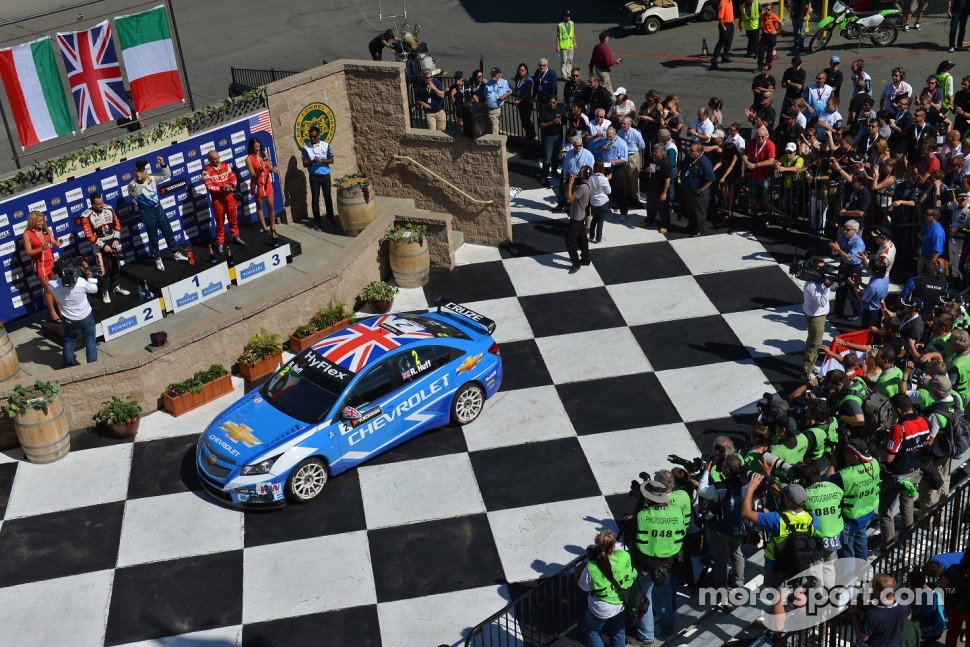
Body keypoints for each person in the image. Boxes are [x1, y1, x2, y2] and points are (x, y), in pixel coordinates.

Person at [742, 477, 817, 638]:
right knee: (798, 589)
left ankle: (780, 635)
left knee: (778, 599)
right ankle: (801, 625)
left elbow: (746, 513)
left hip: (776, 564)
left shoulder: (776, 519)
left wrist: (751, 488)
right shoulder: (811, 518)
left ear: (789, 502)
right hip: (799, 561)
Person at [631, 480, 684, 646]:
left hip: (646, 564)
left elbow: (632, 533)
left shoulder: (643, 514)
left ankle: (646, 636)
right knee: (664, 593)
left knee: (644, 597)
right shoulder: (676, 511)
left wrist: (639, 504)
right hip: (668, 563)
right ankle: (667, 625)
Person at [879, 394, 929, 544]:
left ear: (899, 410)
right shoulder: (924, 421)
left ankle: (887, 548)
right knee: (907, 506)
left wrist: (876, 449)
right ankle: (906, 542)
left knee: (886, 511)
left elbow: (889, 457)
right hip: (914, 471)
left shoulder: (899, 428)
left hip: (896, 475)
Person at [127, 157, 188, 271]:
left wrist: (163, 164)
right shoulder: (132, 185)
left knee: (168, 231)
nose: (144, 172)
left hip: (158, 209)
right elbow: (138, 193)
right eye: (141, 171)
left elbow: (167, 175)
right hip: (147, 212)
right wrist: (139, 180)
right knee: (154, 238)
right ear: (136, 173)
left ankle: (175, 253)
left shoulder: (152, 177)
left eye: (144, 170)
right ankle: (157, 258)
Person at [576, 530, 636, 647]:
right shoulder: (624, 555)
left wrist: (591, 558)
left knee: (593, 632)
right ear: (613, 544)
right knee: (618, 631)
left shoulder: (592, 566)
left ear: (598, 546)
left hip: (600, 608)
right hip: (621, 603)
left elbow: (584, 586)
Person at [828, 438, 880, 559]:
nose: (844, 454)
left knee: (846, 547)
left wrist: (832, 463)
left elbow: (826, 485)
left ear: (856, 457)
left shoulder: (845, 475)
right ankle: (862, 567)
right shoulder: (875, 464)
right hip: (866, 511)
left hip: (850, 518)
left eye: (847, 452)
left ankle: (849, 574)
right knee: (861, 539)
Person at [80, 192, 129, 304]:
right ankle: (105, 291)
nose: (102, 205)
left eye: (102, 202)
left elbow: (117, 224)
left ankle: (116, 286)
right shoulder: (86, 216)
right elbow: (89, 235)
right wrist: (103, 245)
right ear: (92, 204)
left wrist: (116, 239)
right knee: (103, 269)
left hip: (112, 242)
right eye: (98, 204)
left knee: (116, 265)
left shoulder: (109, 208)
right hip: (99, 246)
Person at [48, 258, 98, 368]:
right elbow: (94, 289)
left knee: (69, 342)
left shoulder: (51, 285)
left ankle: (68, 367)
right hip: (87, 317)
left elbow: (56, 278)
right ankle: (93, 368)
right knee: (90, 342)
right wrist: (88, 273)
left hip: (70, 320)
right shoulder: (80, 282)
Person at [22, 210, 62, 322]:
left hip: (50, 261)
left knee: (56, 287)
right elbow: (29, 252)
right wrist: (41, 249)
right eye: (39, 221)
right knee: (48, 289)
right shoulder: (27, 234)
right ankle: (52, 311)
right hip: (39, 264)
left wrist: (57, 244)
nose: (42, 222)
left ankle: (60, 307)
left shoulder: (46, 230)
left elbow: (53, 242)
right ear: (33, 221)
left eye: (43, 220)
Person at [203, 150, 245, 258]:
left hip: (230, 197)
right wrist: (222, 188)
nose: (217, 160)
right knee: (220, 222)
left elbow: (233, 179)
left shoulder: (226, 165)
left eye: (217, 157)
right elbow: (209, 186)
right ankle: (220, 243)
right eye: (214, 159)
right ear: (209, 160)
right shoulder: (206, 171)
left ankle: (236, 236)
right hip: (218, 200)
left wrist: (230, 186)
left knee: (233, 218)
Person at [852, 574, 912, 647]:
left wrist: (853, 614)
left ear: (880, 593)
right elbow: (908, 617)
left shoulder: (872, 615)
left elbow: (863, 637)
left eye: (873, 588)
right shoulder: (903, 600)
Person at [802, 257, 833, 378]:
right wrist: (827, 287)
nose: (822, 270)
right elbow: (822, 302)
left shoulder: (817, 280)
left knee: (814, 343)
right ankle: (806, 372)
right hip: (816, 318)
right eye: (820, 268)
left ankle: (811, 365)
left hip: (818, 316)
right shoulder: (811, 285)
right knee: (814, 344)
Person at [245, 138, 280, 243]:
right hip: (257, 185)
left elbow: (268, 168)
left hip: (267, 183)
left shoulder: (264, 154)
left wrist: (272, 170)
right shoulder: (249, 159)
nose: (257, 148)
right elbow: (252, 175)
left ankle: (272, 226)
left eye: (258, 146)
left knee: (270, 205)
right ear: (251, 147)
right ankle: (265, 227)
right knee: (259, 206)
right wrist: (260, 171)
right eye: (255, 147)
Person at [301, 126, 336, 230]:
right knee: (315, 200)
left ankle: (331, 217)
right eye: (310, 137)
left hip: (325, 176)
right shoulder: (305, 148)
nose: (312, 138)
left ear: (318, 136)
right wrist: (313, 161)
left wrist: (322, 161)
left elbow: (331, 160)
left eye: (314, 136)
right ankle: (317, 221)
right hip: (314, 177)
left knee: (328, 197)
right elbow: (305, 163)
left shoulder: (325, 145)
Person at [830, 219, 865, 320]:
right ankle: (837, 312)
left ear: (855, 230)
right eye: (845, 229)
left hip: (853, 269)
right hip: (843, 267)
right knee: (840, 290)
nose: (845, 231)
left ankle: (857, 313)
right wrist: (834, 249)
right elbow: (834, 253)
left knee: (854, 292)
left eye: (848, 229)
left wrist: (838, 250)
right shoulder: (843, 238)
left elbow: (850, 258)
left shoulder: (858, 243)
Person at [680, 141, 715, 237]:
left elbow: (711, 179)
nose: (689, 151)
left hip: (699, 192)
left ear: (699, 152)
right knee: (690, 209)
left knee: (699, 211)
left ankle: (699, 229)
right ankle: (692, 225)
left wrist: (701, 189)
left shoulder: (705, 162)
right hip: (688, 189)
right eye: (689, 149)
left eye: (692, 150)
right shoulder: (689, 158)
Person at [743, 126, 776, 225]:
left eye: (762, 137)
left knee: (767, 197)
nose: (760, 139)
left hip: (766, 175)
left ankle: (768, 216)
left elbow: (771, 161)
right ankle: (754, 214)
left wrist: (756, 165)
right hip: (754, 175)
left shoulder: (770, 144)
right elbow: (745, 154)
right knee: (753, 195)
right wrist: (746, 162)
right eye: (758, 137)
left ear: (767, 136)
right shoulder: (753, 142)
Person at [565, 164, 592, 273]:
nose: (578, 173)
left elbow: (569, 199)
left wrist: (570, 184)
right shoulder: (586, 184)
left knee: (569, 240)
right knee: (582, 238)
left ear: (585, 174)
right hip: (580, 216)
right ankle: (585, 259)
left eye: (580, 172)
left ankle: (576, 263)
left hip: (576, 217)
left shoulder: (583, 187)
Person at [642, 143, 672, 232]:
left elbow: (667, 179)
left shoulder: (665, 163)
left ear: (662, 153)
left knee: (662, 208)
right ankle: (649, 220)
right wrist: (647, 169)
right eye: (653, 151)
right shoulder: (652, 159)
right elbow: (645, 168)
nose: (654, 153)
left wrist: (664, 193)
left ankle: (665, 225)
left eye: (656, 152)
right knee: (650, 206)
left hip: (660, 188)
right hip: (651, 186)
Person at [538, 95, 567, 186]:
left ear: (556, 102)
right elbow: (540, 125)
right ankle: (544, 176)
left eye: (553, 102)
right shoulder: (543, 111)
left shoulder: (560, 110)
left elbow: (565, 121)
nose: (552, 104)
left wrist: (560, 122)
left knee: (556, 156)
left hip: (558, 136)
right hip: (548, 137)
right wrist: (552, 123)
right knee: (547, 159)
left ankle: (554, 171)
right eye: (550, 102)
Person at [918, 208, 946, 277]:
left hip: (930, 260)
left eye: (927, 215)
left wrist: (930, 266)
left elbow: (936, 252)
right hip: (924, 256)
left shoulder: (937, 232)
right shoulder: (927, 225)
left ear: (935, 217)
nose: (924, 216)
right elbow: (919, 234)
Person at [484, 67, 512, 135]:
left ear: (499, 75)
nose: (492, 76)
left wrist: (505, 95)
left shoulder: (504, 82)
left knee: (494, 126)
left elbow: (511, 90)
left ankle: (495, 141)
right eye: (492, 75)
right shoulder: (488, 83)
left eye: (494, 75)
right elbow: (484, 94)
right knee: (489, 126)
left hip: (496, 109)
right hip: (487, 109)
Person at [588, 161, 611, 244]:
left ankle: (591, 236)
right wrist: (607, 180)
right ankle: (598, 239)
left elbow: (589, 190)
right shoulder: (604, 179)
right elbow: (608, 191)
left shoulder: (590, 178)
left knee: (594, 219)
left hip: (593, 202)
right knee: (600, 221)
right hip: (603, 202)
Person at [756, 3, 783, 69]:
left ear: (772, 10)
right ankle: (759, 65)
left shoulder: (774, 16)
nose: (767, 10)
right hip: (764, 35)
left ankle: (768, 65)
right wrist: (760, 27)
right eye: (766, 9)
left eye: (769, 9)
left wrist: (777, 31)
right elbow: (759, 20)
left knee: (769, 51)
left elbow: (781, 23)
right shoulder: (763, 16)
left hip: (771, 35)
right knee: (761, 51)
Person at [710, 0, 735, 70]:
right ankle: (714, 61)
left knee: (729, 42)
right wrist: (723, 26)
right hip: (724, 24)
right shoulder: (723, 2)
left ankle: (725, 57)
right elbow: (720, 16)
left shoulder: (730, 2)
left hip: (730, 24)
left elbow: (730, 13)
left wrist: (732, 22)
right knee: (721, 42)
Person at [556, 10, 577, 79]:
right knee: (563, 61)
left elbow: (573, 33)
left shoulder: (572, 23)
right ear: (564, 16)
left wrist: (575, 43)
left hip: (570, 45)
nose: (568, 17)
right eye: (567, 16)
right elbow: (558, 36)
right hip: (563, 46)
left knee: (570, 60)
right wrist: (557, 46)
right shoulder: (560, 25)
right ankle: (563, 75)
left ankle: (568, 73)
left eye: (569, 16)